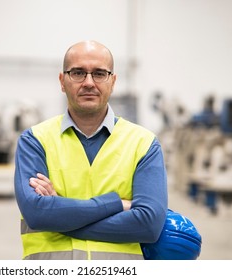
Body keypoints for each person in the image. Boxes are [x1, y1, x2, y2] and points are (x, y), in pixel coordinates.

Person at [14, 40, 168, 260]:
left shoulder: (144, 143)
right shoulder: (35, 140)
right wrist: (116, 204)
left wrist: (59, 219)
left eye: (99, 73)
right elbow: (37, 214)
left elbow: (148, 225)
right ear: (62, 80)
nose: (88, 82)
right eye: (78, 73)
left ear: (113, 81)